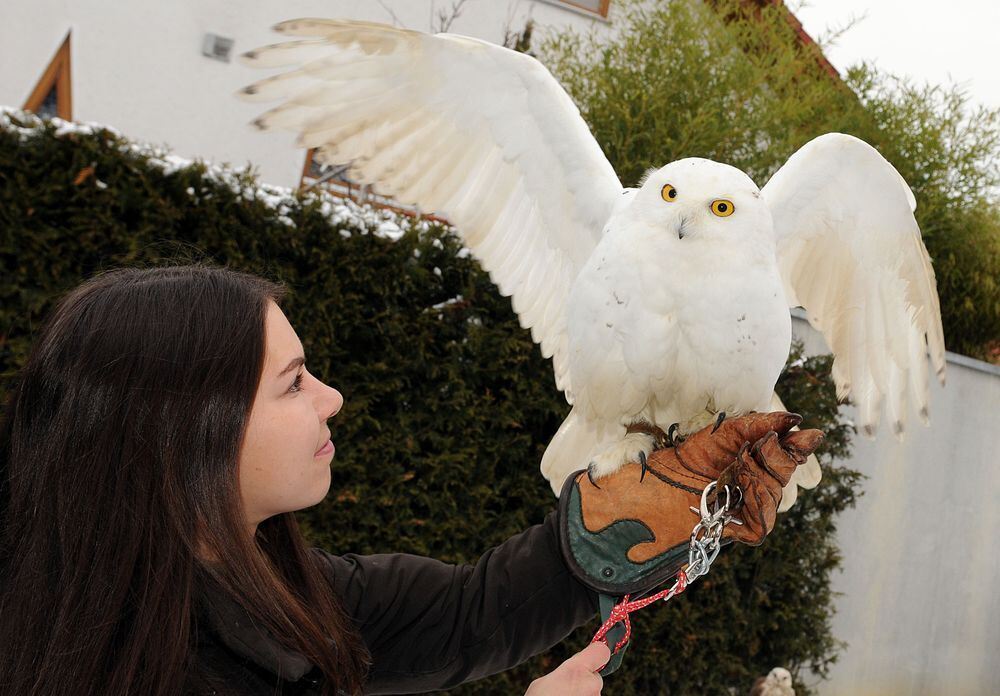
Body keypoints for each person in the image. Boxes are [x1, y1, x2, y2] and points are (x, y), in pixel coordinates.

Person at [0, 263, 798, 696]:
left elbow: (464, 616)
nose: (333, 398)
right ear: (190, 433)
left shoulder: (273, 590)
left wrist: (634, 518)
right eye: (293, 382)